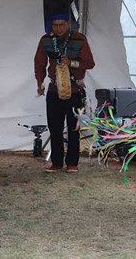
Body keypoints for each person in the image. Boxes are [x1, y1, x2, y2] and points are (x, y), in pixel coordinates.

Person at [34, 14, 95, 173]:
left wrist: (71, 62)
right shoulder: (46, 40)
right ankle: (57, 162)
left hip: (75, 90)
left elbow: (90, 63)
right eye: (55, 25)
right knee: (55, 127)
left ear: (68, 24)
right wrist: (40, 82)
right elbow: (39, 62)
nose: (58, 28)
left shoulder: (79, 39)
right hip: (54, 89)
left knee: (73, 127)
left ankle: (72, 163)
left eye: (62, 24)